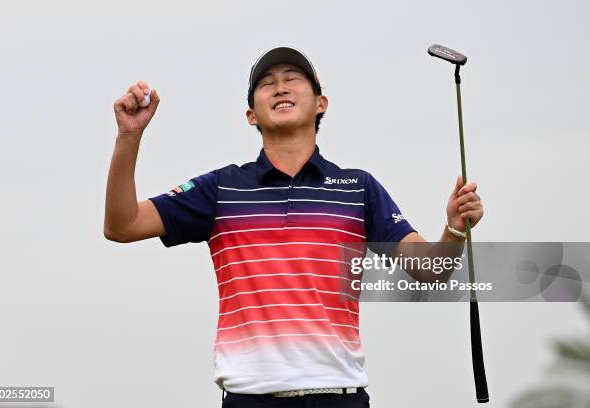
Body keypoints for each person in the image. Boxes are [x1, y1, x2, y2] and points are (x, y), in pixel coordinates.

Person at [104, 46, 484, 407]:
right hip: (249, 400)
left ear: (321, 104)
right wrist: (129, 137)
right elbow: (123, 225)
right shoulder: (221, 188)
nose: (280, 86)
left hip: (339, 398)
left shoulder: (358, 187)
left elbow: (430, 271)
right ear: (251, 114)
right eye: (266, 83)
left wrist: (452, 230)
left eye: (293, 78)